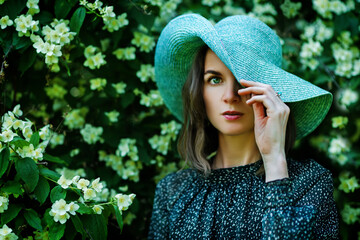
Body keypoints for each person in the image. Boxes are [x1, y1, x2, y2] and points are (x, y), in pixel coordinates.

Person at [149, 13, 339, 239]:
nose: (230, 96)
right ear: (199, 92)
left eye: (242, 80)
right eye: (215, 80)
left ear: (270, 93)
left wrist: (275, 162)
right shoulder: (173, 191)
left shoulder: (309, 182)